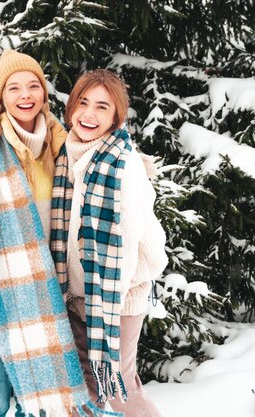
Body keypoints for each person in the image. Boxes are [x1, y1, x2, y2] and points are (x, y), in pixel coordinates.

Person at [0, 50, 114, 417]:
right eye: (14, 88)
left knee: (37, 402)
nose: (25, 95)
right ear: (1, 97)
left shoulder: (65, 148)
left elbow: (111, 163)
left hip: (47, 296)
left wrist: (140, 168)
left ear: (43, 93)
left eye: (33, 85)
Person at [51, 69, 168, 417]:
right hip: (78, 292)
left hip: (116, 294)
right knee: (88, 388)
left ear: (116, 116)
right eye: (83, 103)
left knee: (116, 386)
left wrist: (105, 306)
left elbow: (127, 238)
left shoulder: (122, 163)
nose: (89, 114)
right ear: (71, 107)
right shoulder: (66, 157)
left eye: (102, 107)